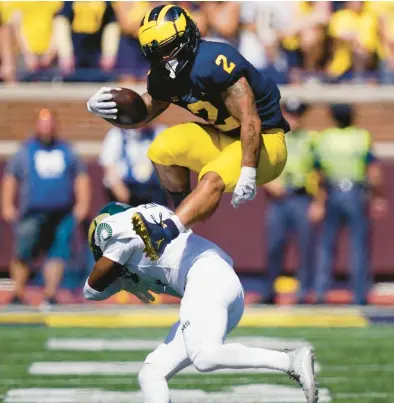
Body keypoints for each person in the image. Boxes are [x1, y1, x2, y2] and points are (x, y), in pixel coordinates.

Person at [87, 4, 290, 261]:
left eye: (168, 48)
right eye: (156, 52)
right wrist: (106, 110)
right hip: (224, 137)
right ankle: (184, 215)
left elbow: (250, 119)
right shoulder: (164, 75)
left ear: (187, 37)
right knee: (161, 148)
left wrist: (248, 171)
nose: (164, 59)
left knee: (212, 177)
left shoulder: (215, 61)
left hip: (264, 141)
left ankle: (166, 235)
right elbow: (142, 115)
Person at [84, 201, 318, 403]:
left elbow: (91, 289)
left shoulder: (119, 229)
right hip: (220, 282)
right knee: (152, 371)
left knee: (205, 357)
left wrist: (122, 279)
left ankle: (288, 360)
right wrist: (127, 282)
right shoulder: (143, 220)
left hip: (206, 277)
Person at [1, 109, 91, 307]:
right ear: (36, 125)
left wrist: (82, 204)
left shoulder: (67, 150)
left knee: (57, 253)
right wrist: (7, 204)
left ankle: (50, 294)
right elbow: (10, 177)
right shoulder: (25, 150)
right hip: (32, 212)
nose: (47, 127)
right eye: (43, 123)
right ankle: (18, 293)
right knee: (23, 251)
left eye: (50, 123)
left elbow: (80, 176)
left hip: (62, 213)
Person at [314, 104, 388, 305]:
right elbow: (373, 171)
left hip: (333, 191)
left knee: (327, 246)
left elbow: (318, 173)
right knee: (358, 246)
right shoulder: (360, 137)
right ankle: (359, 295)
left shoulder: (325, 138)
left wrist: (319, 202)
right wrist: (378, 196)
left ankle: (321, 293)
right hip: (355, 192)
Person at [263, 99, 324, 304]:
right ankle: (269, 292)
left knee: (306, 246)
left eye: (297, 116)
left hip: (301, 197)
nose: (294, 120)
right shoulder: (272, 137)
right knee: (274, 246)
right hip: (277, 199)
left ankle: (304, 291)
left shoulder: (311, 139)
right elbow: (256, 164)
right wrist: (267, 183)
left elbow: (319, 172)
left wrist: (319, 203)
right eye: (290, 115)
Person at [99, 125, 167, 207]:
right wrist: (118, 188)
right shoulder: (117, 134)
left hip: (153, 192)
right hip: (126, 190)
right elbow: (108, 164)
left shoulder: (160, 133)